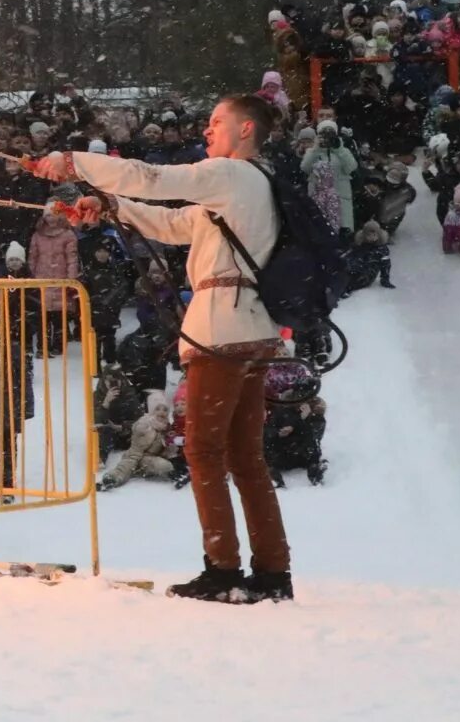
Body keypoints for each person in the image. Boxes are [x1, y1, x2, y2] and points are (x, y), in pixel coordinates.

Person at [36, 92, 294, 603]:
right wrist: (109, 207)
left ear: (246, 131)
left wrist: (73, 163)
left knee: (201, 449)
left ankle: (223, 570)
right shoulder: (250, 186)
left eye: (218, 121)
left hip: (223, 328)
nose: (208, 129)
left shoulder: (232, 174)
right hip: (249, 327)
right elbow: (176, 225)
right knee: (244, 456)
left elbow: (155, 179)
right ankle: (271, 572)